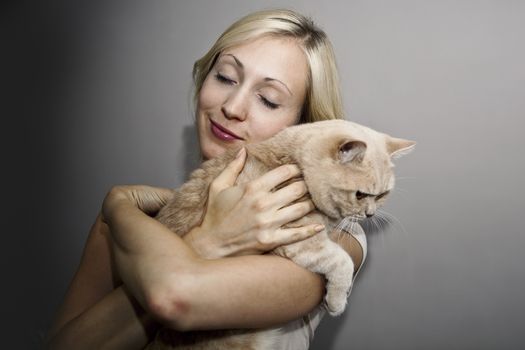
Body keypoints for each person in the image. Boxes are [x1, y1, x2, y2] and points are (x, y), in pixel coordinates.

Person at [46, 9, 366, 349]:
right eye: (226, 78)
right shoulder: (130, 222)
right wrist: (204, 236)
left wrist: (208, 242)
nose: (233, 106)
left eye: (269, 99)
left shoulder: (329, 236)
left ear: (304, 130)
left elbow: (174, 297)